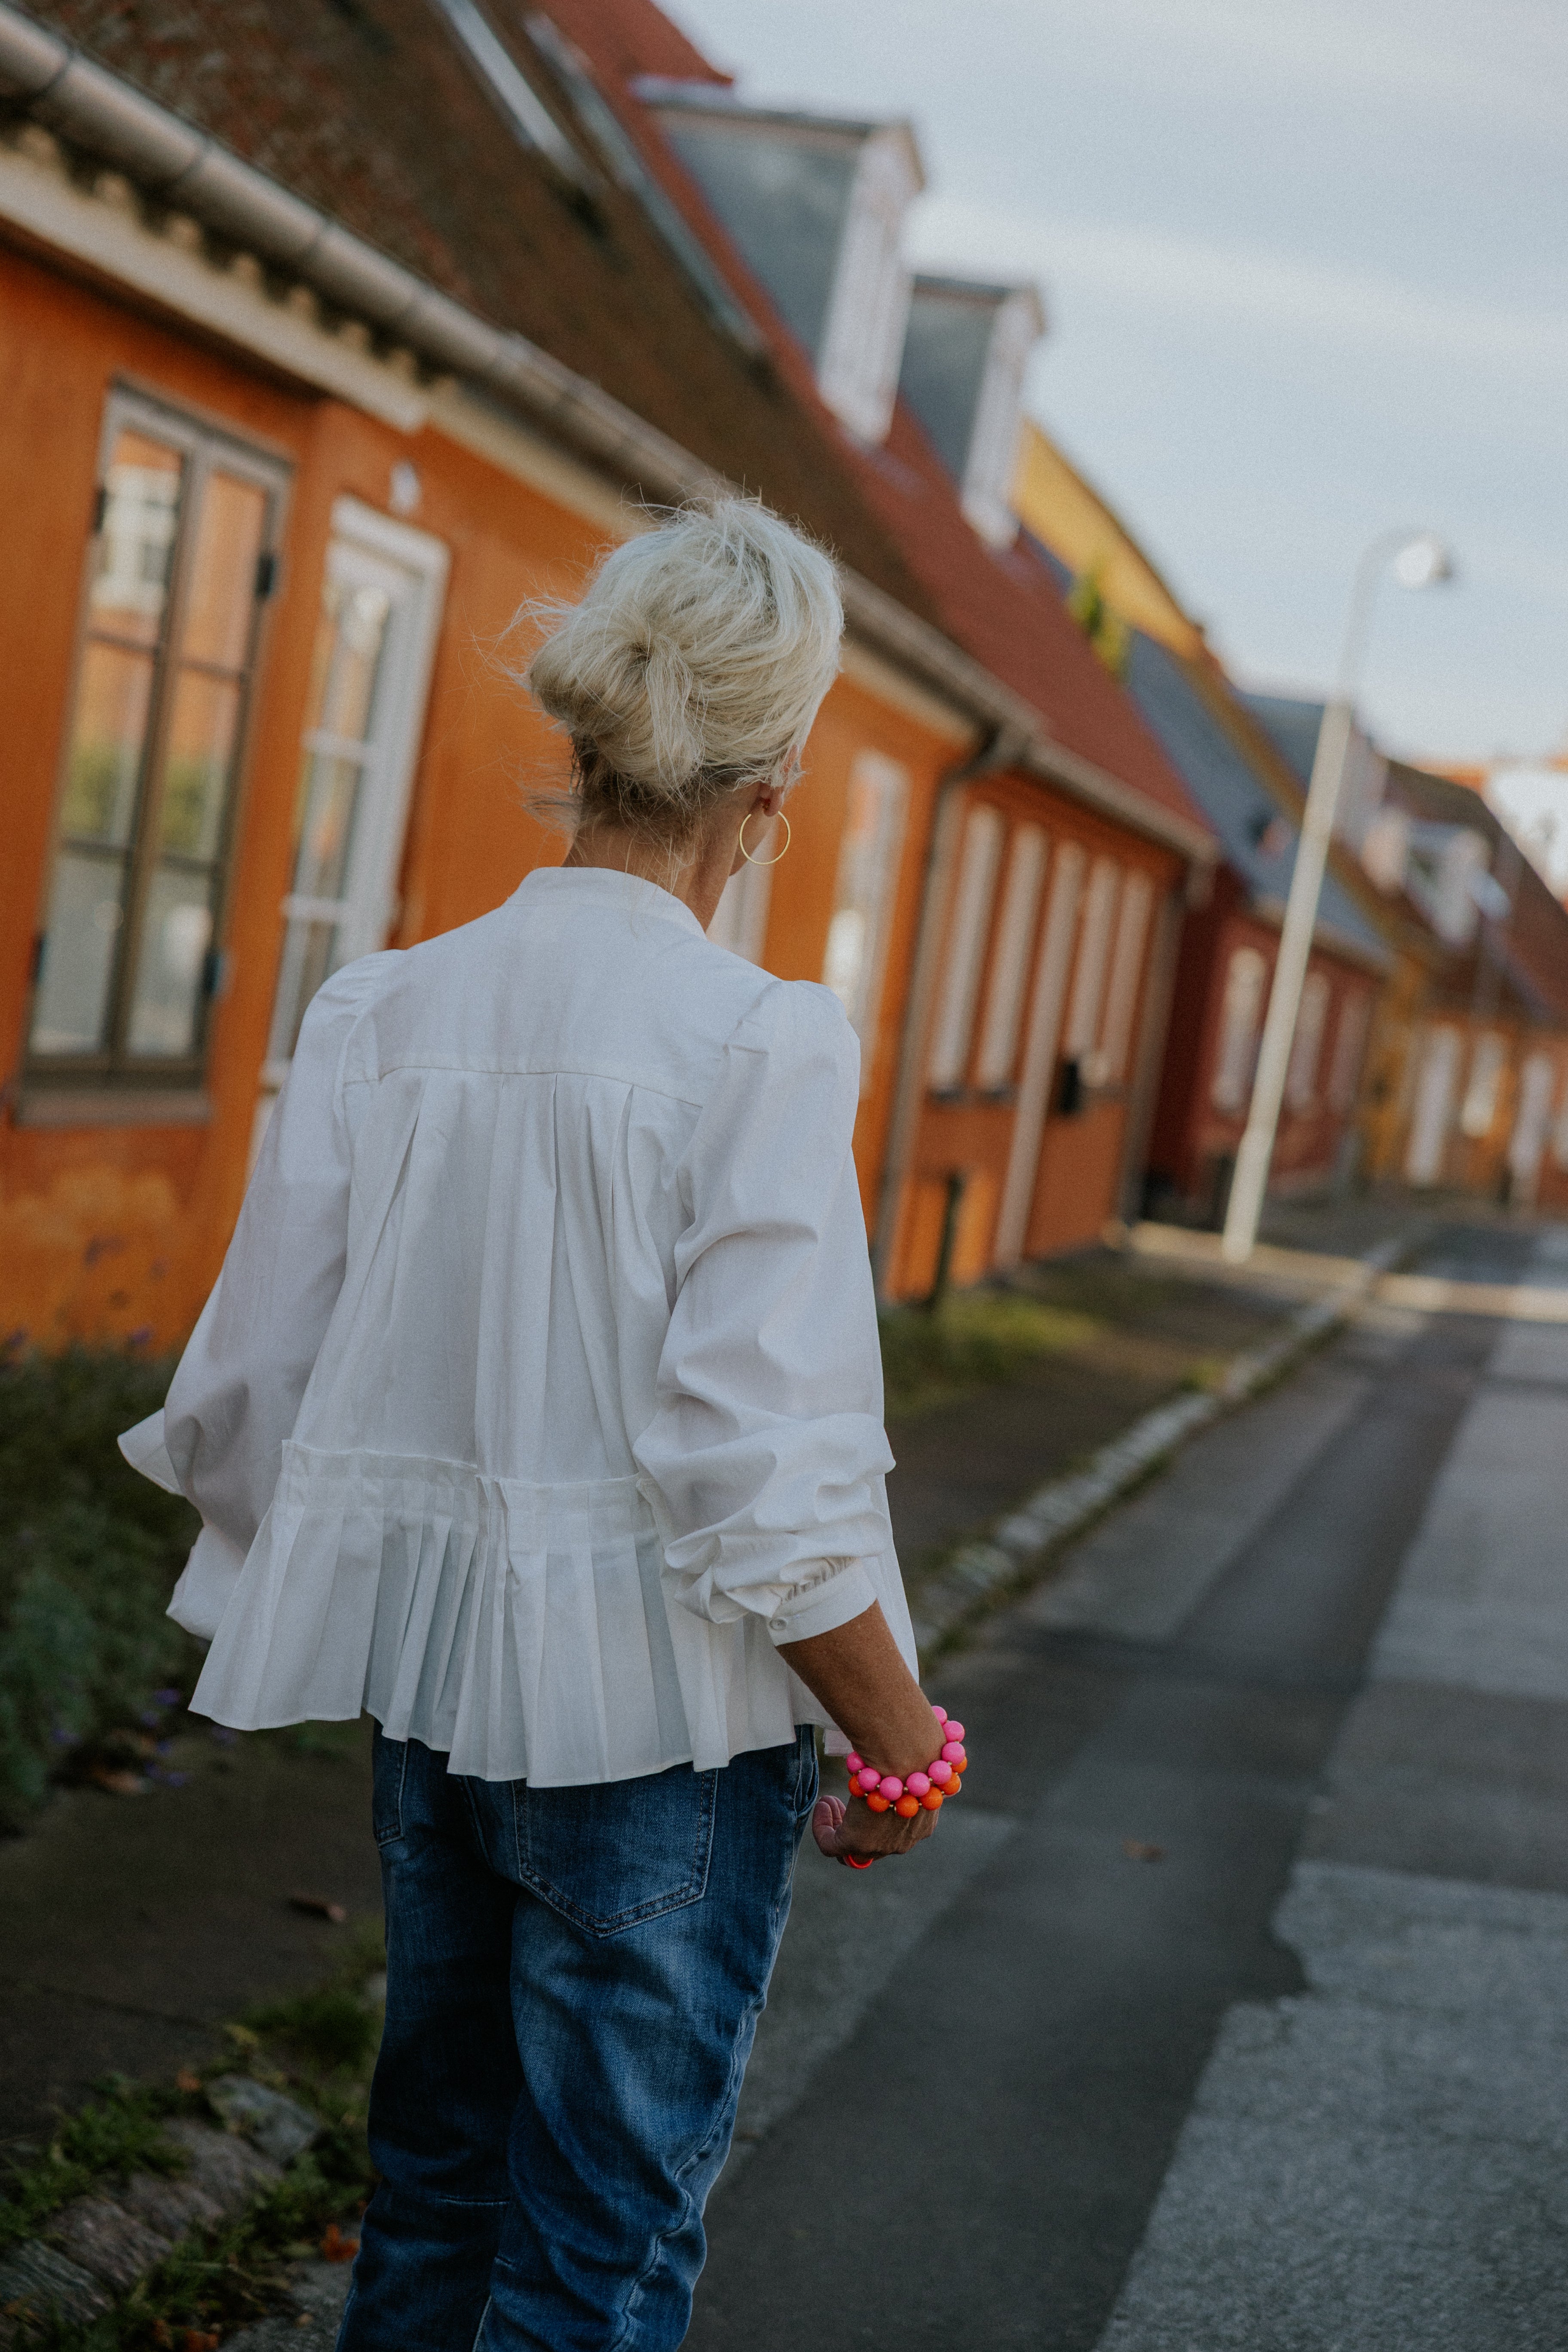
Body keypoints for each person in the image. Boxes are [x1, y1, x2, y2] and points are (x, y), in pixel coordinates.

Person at [119, 498, 946, 2351]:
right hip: (668, 1732)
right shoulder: (757, 1041)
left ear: (579, 753)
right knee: (599, 2254)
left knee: (430, 2195)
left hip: (443, 1707)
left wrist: (313, 1574)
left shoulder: (380, 1010)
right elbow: (753, 1458)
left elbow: (246, 1391)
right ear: (770, 798)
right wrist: (895, 1735)